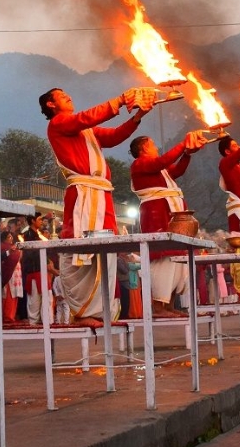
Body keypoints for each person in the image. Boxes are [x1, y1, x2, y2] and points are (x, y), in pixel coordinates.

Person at [40, 87, 149, 327]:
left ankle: (102, 311)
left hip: (102, 193)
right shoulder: (59, 123)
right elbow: (85, 117)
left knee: (107, 251)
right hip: (83, 194)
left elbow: (113, 137)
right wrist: (120, 100)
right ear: (50, 104)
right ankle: (81, 312)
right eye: (61, 94)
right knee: (82, 249)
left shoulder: (85, 129)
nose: (69, 95)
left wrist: (137, 117)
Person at [129, 131, 206, 318]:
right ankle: (158, 307)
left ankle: (169, 305)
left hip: (169, 212)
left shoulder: (159, 169)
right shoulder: (140, 164)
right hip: (156, 213)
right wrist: (183, 144)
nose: (156, 147)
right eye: (153, 143)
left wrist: (187, 153)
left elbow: (177, 171)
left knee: (176, 259)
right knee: (164, 258)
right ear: (144, 147)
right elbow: (160, 162)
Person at [17, 214, 52, 325]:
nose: (42, 221)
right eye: (39, 219)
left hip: (42, 271)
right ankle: (33, 324)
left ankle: (47, 323)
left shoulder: (39, 234)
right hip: (33, 271)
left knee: (47, 299)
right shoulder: (27, 235)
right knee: (34, 302)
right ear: (32, 221)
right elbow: (29, 255)